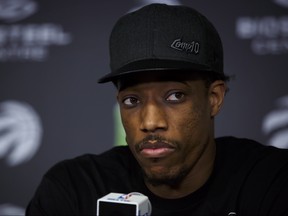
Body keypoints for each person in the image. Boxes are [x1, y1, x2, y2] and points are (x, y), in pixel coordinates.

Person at [26, 3, 288, 216]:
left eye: (175, 96)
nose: (150, 122)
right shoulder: (73, 189)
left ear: (214, 98)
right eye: (132, 101)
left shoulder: (272, 183)